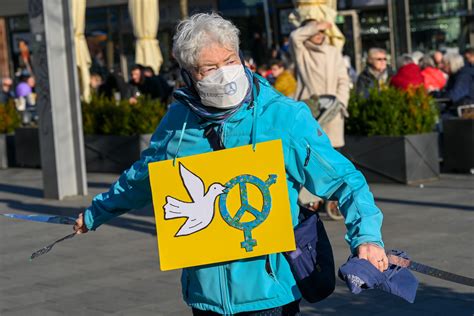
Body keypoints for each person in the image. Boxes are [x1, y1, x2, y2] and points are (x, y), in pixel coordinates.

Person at [74, 13, 387, 316]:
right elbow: (141, 178)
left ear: (242, 58)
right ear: (187, 74)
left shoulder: (283, 117)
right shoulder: (177, 123)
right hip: (205, 295)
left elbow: (346, 179)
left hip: (269, 293)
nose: (223, 73)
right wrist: (95, 213)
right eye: (208, 68)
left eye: (229, 61)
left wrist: (367, 238)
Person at [290, 19, 350, 149]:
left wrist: (340, 103)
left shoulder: (333, 51)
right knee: (309, 155)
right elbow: (295, 36)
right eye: (314, 30)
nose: (319, 34)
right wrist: (316, 26)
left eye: (322, 31)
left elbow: (343, 80)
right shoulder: (302, 51)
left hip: (333, 112)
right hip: (309, 110)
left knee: (334, 157)